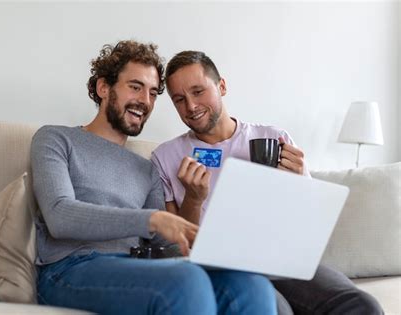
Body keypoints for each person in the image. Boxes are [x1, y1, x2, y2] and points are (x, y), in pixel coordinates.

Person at [31, 40, 277, 315]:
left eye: (152, 93)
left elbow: (167, 244)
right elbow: (59, 216)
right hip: (70, 269)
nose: (145, 101)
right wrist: (151, 219)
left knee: (250, 286)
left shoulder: (146, 168)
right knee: (185, 283)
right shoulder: (56, 139)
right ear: (103, 88)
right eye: (135, 87)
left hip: (136, 268)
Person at [150, 50, 383, 315]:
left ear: (222, 86)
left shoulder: (274, 138)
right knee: (277, 310)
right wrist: (193, 198)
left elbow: (307, 222)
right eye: (179, 99)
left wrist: (299, 183)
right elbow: (177, 246)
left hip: (284, 261)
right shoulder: (165, 157)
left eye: (198, 91)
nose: (191, 106)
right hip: (222, 269)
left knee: (362, 305)